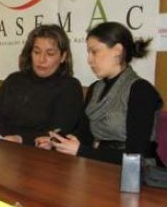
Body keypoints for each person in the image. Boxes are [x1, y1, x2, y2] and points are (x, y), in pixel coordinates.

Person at [39, 22, 163, 165]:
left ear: (117, 50)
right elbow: (85, 135)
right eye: (88, 53)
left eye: (94, 52)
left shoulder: (141, 90)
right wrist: (58, 141)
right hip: (99, 166)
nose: (89, 60)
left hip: (137, 174)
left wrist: (81, 151)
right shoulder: (95, 88)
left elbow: (136, 155)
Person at [0, 24, 84, 145]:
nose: (41, 59)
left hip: (41, 156)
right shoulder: (14, 80)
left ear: (63, 57)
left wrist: (21, 139)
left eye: (50, 54)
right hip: (0, 147)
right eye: (37, 52)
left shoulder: (69, 87)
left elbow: (58, 133)